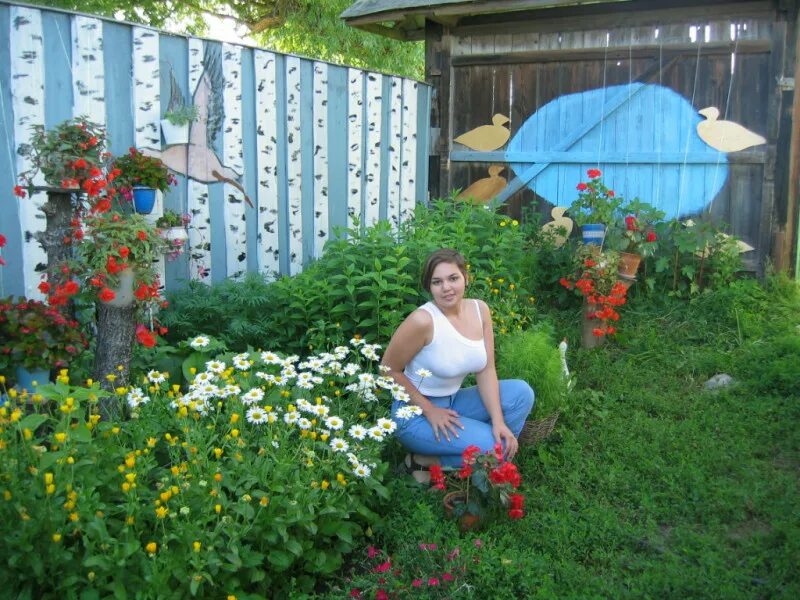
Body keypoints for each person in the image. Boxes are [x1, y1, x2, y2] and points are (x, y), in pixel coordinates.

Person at [381, 248, 534, 472]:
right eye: (437, 282)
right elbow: (387, 370)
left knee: (522, 393)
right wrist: (429, 410)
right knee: (496, 448)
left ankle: (482, 448)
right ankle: (423, 462)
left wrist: (499, 421)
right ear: (429, 287)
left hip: (454, 403)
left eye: (453, 278)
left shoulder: (480, 310)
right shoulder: (423, 321)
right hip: (415, 414)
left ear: (466, 278)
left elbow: (486, 369)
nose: (446, 288)